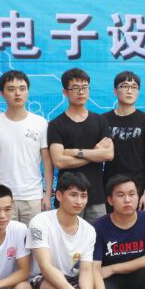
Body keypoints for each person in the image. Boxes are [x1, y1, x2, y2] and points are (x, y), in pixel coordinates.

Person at [28, 172, 97, 289]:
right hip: (40, 281)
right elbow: (45, 267)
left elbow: (86, 270)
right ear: (59, 195)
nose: (79, 201)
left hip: (70, 280)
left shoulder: (89, 230)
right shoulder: (39, 222)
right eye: (73, 195)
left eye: (83, 196)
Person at [0, 70, 53, 224]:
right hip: (2, 198)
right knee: (5, 238)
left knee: (33, 238)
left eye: (22, 88)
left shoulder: (40, 123)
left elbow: (47, 161)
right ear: (2, 93)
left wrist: (47, 194)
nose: (17, 93)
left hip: (33, 197)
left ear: (28, 91)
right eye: (11, 89)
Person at [47, 68, 114, 223]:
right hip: (67, 196)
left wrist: (76, 152)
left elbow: (108, 154)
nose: (81, 92)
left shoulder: (100, 121)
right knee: (66, 236)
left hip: (96, 196)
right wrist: (94, 154)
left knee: (96, 236)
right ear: (65, 92)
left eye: (85, 87)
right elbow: (59, 161)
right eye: (75, 88)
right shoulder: (56, 124)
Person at [103, 71, 145, 211]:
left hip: (137, 186)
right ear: (115, 91)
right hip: (110, 185)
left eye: (134, 87)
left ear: (138, 92)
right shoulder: (103, 120)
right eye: (124, 86)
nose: (129, 91)